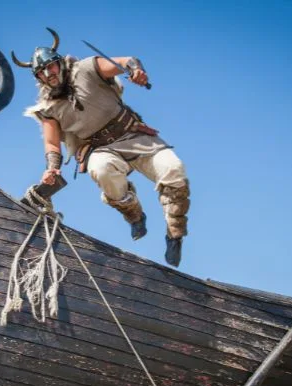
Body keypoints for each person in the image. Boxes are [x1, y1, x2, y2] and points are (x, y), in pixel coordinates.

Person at [12, 28, 190, 267]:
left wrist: (136, 70)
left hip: (134, 135)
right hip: (101, 149)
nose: (48, 73)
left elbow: (125, 62)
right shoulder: (48, 108)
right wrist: (52, 168)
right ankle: (134, 214)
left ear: (59, 63)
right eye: (42, 72)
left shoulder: (87, 68)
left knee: (174, 169)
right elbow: (52, 142)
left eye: (50, 66)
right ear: (39, 78)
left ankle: (174, 235)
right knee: (102, 171)